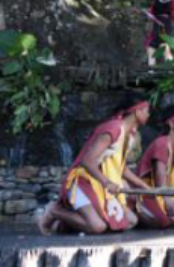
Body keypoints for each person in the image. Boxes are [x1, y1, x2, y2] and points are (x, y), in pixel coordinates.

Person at [40, 95, 151, 235]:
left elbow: (120, 168)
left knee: (130, 221)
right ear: (137, 111)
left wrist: (143, 187)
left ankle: (63, 225)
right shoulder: (114, 128)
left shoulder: (130, 135)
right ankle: (54, 211)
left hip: (98, 185)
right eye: (146, 110)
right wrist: (107, 182)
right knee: (98, 227)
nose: (148, 114)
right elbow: (86, 161)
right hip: (82, 182)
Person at [133, 106, 174, 229]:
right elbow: (160, 180)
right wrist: (170, 201)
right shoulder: (162, 143)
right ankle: (136, 210)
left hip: (163, 192)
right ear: (171, 123)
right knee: (172, 222)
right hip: (147, 193)